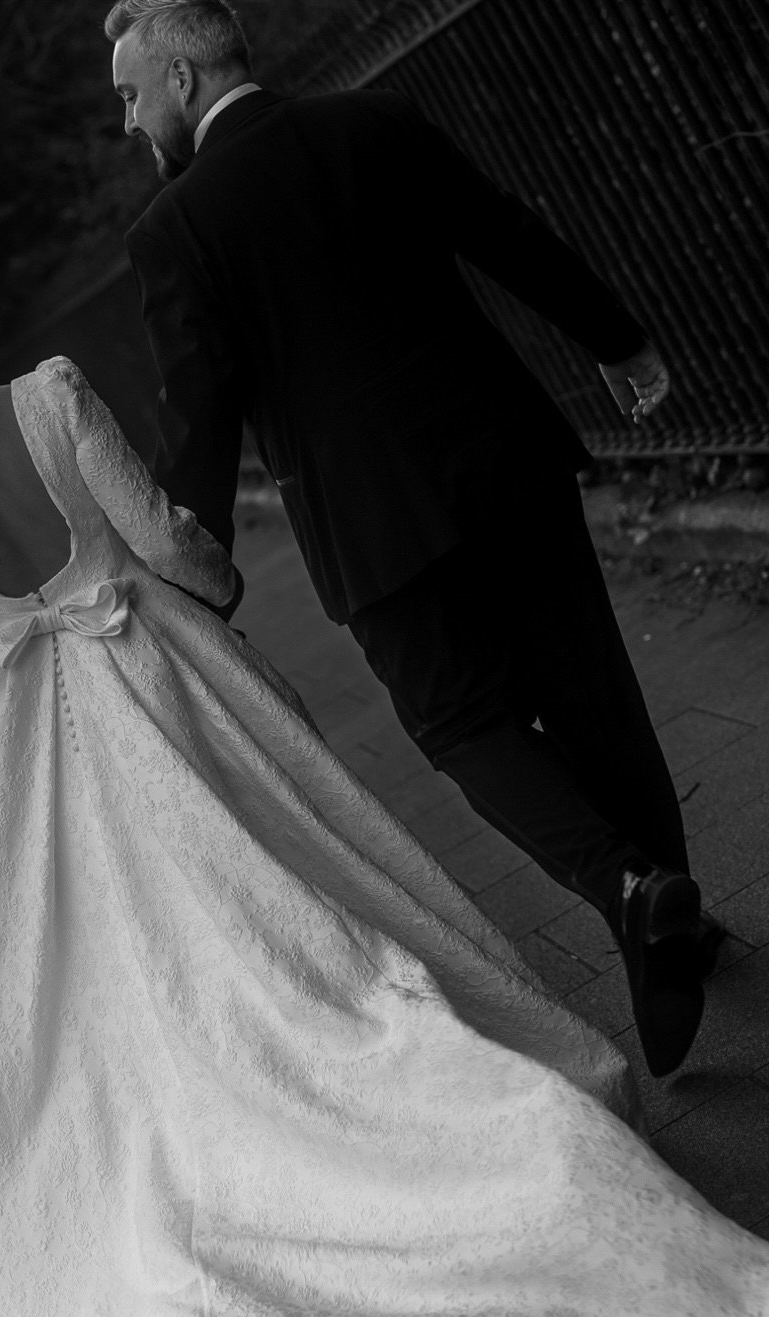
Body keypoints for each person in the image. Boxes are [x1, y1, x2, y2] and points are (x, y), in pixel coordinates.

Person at [0, 253, 769, 1317]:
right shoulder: (50, 396)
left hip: (10, 747)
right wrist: (219, 589)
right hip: (160, 677)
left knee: (89, 978)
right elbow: (162, 540)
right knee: (279, 882)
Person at [105, 0, 723, 1080]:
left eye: (129, 94)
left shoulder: (175, 229)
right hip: (505, 460)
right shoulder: (371, 121)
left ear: (185, 80)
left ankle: (633, 894)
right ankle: (674, 925)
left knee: (463, 723)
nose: (125, 121)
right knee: (594, 693)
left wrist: (187, 566)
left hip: (371, 527)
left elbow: (199, 411)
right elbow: (507, 234)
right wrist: (620, 340)